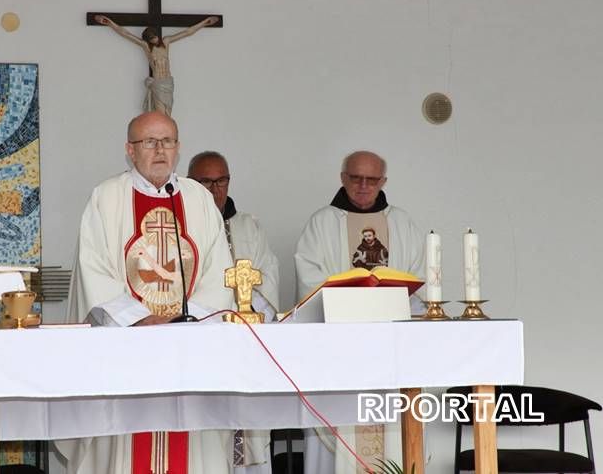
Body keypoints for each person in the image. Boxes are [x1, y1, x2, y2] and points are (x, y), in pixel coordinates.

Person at [59, 112, 235, 474]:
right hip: (126, 350)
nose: (159, 150)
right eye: (149, 142)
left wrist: (187, 320)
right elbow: (95, 270)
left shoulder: (198, 199)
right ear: (130, 150)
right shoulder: (106, 198)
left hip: (189, 351)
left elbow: (220, 272)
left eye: (167, 141)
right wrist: (140, 318)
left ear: (178, 148)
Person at [294, 151, 425, 474]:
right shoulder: (322, 223)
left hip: (391, 350)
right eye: (355, 178)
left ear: (384, 182)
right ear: (342, 178)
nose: (363, 186)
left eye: (372, 180)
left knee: (392, 437)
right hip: (340, 350)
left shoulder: (402, 223)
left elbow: (419, 281)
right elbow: (310, 283)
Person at [187, 151, 280, 474]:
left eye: (221, 180)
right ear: (190, 183)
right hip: (203, 346)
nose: (215, 189)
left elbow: (267, 277)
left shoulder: (249, 227)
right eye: (206, 182)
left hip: (245, 344)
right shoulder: (184, 229)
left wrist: (251, 314)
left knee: (247, 427)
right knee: (207, 439)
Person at [94, 15, 220, 116]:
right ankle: (163, 137)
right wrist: (109, 23)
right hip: (158, 83)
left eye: (155, 36)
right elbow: (126, 34)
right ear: (148, 40)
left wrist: (205, 22)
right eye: (152, 39)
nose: (155, 40)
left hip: (168, 82)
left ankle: (167, 137)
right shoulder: (146, 47)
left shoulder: (166, 42)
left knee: (168, 113)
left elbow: (187, 32)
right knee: (161, 115)